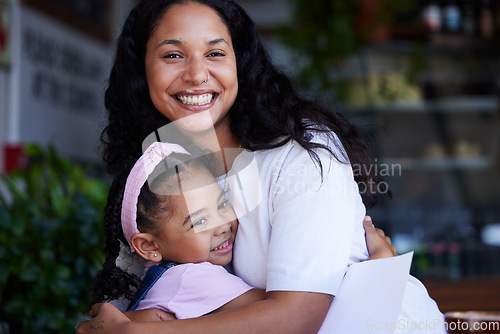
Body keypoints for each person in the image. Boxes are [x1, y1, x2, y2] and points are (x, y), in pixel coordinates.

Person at [78, 0, 443, 333]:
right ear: (143, 71)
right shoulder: (155, 172)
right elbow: (123, 307)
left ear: (240, 63)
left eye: (215, 53)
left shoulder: (303, 153)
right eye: (173, 55)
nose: (196, 74)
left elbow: (296, 318)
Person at [92, 141, 267, 321]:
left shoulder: (165, 276)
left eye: (221, 204)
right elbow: (279, 308)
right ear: (149, 246)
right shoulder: (190, 278)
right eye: (200, 221)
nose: (222, 226)